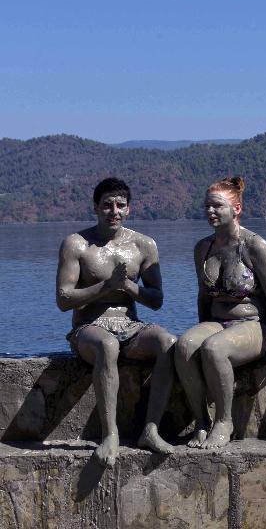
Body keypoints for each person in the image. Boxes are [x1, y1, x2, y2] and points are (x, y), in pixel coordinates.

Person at [56, 177, 176, 467]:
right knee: (107, 345)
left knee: (168, 343)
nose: (114, 211)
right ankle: (111, 434)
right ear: (96, 207)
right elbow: (63, 299)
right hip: (89, 327)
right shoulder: (77, 244)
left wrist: (129, 288)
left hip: (130, 326)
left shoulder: (143, 245)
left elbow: (157, 299)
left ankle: (151, 429)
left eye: (120, 205)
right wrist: (106, 286)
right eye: (107, 205)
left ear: (129, 209)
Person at [174, 177, 266, 449]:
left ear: (236, 209)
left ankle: (224, 422)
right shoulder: (203, 248)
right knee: (185, 346)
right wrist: (199, 331)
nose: (210, 212)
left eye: (217, 206)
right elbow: (203, 296)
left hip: (254, 325)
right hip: (217, 321)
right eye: (207, 207)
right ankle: (201, 421)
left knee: (214, 349)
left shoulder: (255, 246)